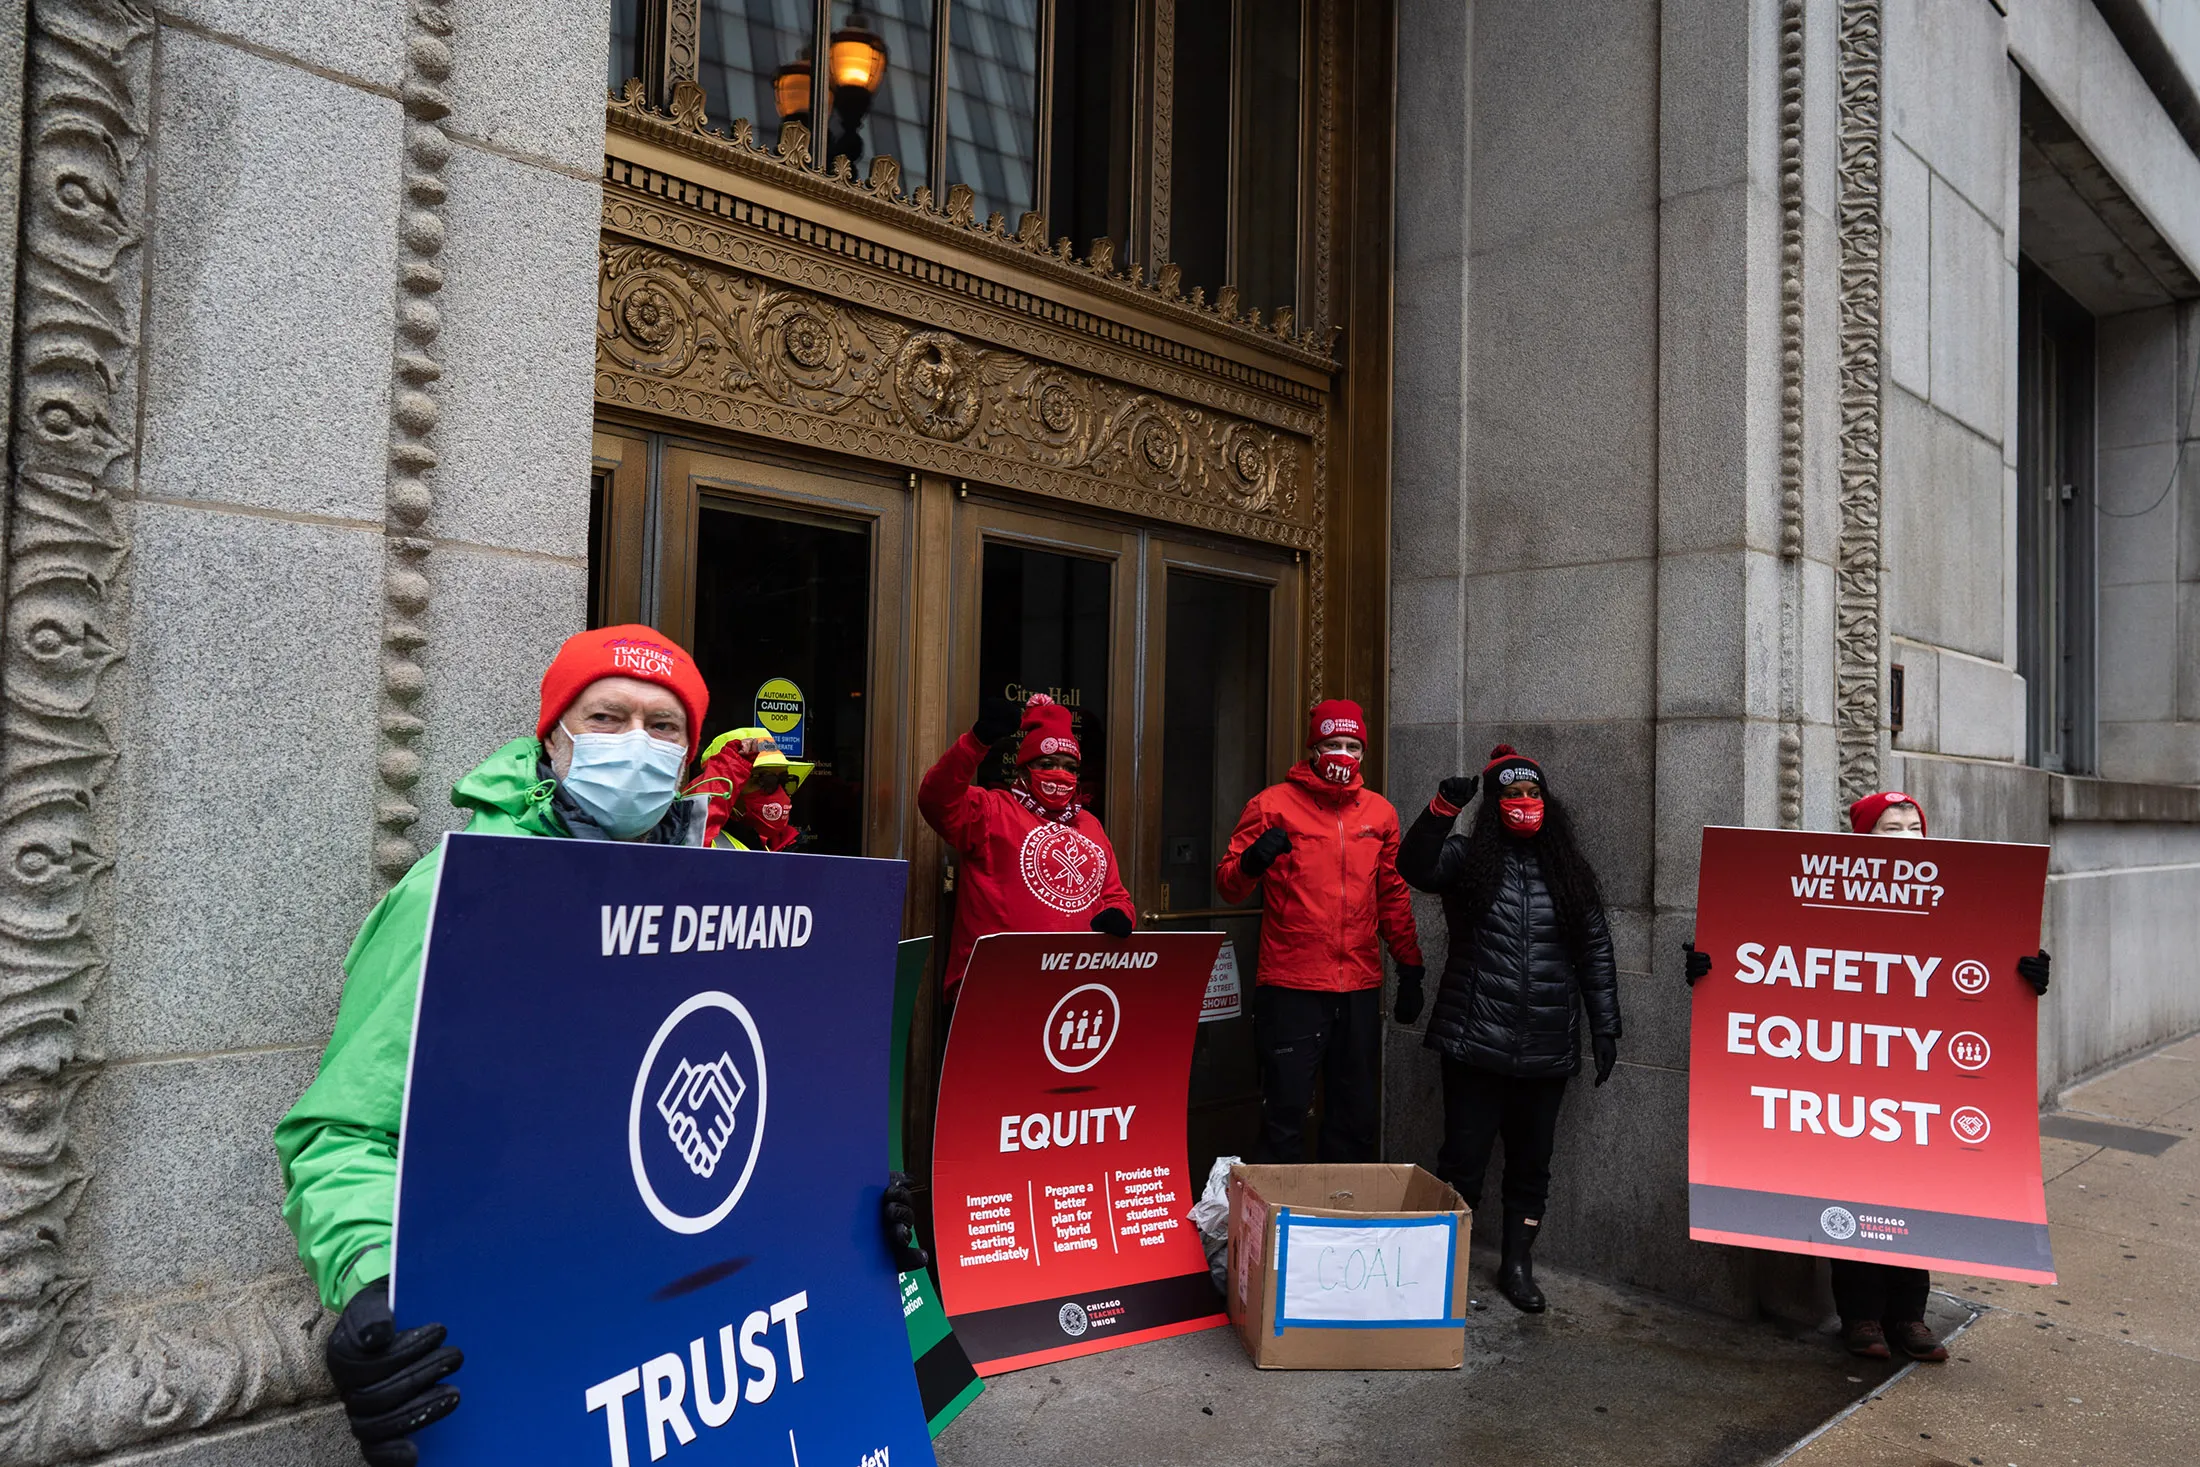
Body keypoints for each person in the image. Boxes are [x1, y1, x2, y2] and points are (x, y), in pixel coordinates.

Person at [275, 627, 926, 1467]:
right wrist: (372, 1280)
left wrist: (850, 1199)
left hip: (702, 1345)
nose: (637, 742)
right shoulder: (463, 889)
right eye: (607, 715)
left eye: (664, 726)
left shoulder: (736, 879)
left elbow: (782, 1093)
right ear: (553, 736)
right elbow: (343, 1132)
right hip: (543, 1322)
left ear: (691, 750)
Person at [1681, 789, 2052, 1363]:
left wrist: (2024, 975)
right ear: (1862, 842)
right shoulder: (1829, 904)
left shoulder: (1954, 902)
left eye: (1913, 828)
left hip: (1920, 1071)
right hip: (1851, 1071)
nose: (1904, 839)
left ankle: (1911, 1316)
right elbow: (1778, 957)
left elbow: (1975, 966)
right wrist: (1713, 969)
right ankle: (1861, 1318)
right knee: (1852, 1185)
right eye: (1889, 829)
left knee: (1912, 1186)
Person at [1397, 744, 1621, 1313]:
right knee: (1462, 1162)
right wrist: (1441, 809)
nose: (1524, 803)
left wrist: (1605, 1026)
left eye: (1532, 793)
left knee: (1531, 1166)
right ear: (1493, 805)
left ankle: (1518, 1266)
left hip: (1547, 1046)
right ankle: (1443, 1269)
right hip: (1474, 1040)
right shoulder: (1468, 859)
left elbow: (1595, 949)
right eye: (1512, 795)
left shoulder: (1567, 871)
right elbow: (1416, 867)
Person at [1214, 698, 1423, 1165]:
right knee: (1285, 1111)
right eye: (1332, 744)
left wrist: (1410, 964)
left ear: (1363, 753)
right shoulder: (1271, 805)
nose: (1342, 754)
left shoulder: (1380, 814)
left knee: (1355, 1115)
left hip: (1359, 987)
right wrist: (1252, 861)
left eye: (1352, 745)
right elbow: (1228, 885)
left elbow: (1390, 894)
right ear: (1313, 749)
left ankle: (1340, 1224)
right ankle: (1274, 1228)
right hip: (1293, 984)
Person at [918, 692, 1135, 1002]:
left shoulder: (1090, 825)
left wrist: (1118, 915)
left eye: (1071, 768)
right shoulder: (991, 809)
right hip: (995, 990)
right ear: (1022, 771)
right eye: (1047, 763)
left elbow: (1115, 895)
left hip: (1072, 989)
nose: (1061, 773)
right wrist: (976, 742)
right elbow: (936, 799)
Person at [697, 725, 815, 850]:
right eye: (766, 780)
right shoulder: (702, 839)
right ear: (727, 786)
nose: (780, 792)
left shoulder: (786, 845)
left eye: (785, 781)